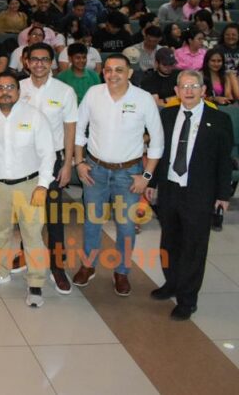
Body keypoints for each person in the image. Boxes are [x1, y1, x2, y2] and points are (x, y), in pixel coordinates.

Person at [72, 54, 164, 296]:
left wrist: (146, 176)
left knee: (126, 225)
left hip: (129, 174)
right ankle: (88, 265)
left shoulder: (143, 99)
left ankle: (122, 271)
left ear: (130, 73)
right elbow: (79, 129)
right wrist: (79, 162)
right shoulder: (93, 93)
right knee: (92, 221)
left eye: (119, 70)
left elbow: (157, 141)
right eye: (108, 70)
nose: (113, 75)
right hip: (95, 170)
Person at [145, 70, 233, 320]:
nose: (189, 91)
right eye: (184, 86)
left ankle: (187, 299)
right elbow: (159, 152)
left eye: (194, 86)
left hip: (200, 192)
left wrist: (223, 195)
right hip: (170, 188)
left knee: (193, 246)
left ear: (203, 90)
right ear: (176, 91)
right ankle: (171, 283)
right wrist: (153, 182)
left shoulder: (220, 119)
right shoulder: (167, 115)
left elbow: (224, 160)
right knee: (170, 241)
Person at [0, 70, 55, 306]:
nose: (5, 92)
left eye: (10, 87)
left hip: (29, 185)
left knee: (32, 234)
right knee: (0, 231)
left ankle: (35, 281)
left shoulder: (34, 116)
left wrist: (43, 186)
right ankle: (1, 270)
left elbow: (48, 154)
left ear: (18, 91)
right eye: (0, 88)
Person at [13, 43, 79, 292]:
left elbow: (70, 130)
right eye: (34, 59)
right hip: (23, 160)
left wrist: (68, 164)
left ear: (52, 63)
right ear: (26, 62)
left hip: (52, 161)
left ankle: (57, 266)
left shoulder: (64, 91)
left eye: (44, 59)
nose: (39, 64)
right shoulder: (18, 88)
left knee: (53, 216)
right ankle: (25, 253)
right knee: (26, 211)